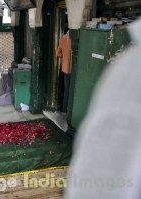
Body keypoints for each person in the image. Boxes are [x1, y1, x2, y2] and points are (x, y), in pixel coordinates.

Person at [64, 18, 141, 199]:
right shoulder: (131, 66)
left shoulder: (132, 68)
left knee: (67, 90)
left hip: (65, 68)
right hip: (68, 69)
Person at [56, 27, 72, 113]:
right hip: (73, 69)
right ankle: (69, 110)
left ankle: (64, 109)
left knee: (66, 89)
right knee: (71, 90)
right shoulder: (76, 38)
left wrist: (64, 57)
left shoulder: (64, 37)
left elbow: (58, 52)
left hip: (65, 68)